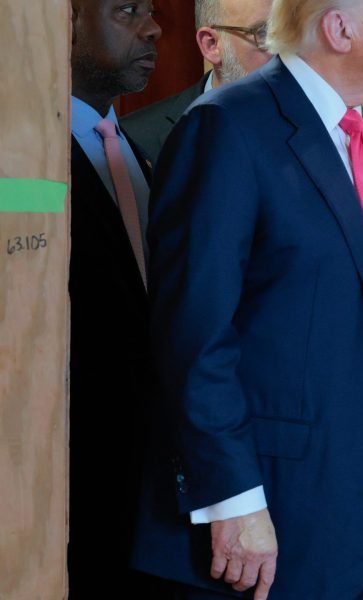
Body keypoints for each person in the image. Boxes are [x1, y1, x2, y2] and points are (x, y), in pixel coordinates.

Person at [129, 1, 363, 598]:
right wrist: (233, 499)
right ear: (339, 28)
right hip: (268, 525)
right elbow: (194, 334)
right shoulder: (225, 126)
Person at [67, 0, 165, 595]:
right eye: (127, 11)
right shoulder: (22, 155)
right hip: (74, 479)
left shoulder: (136, 147)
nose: (153, 29)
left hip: (149, 483)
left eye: (151, 12)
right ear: (67, 20)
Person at [122, 0, 273, 164]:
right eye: (265, 33)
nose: (287, 52)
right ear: (211, 44)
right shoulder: (131, 141)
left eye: (290, 34)